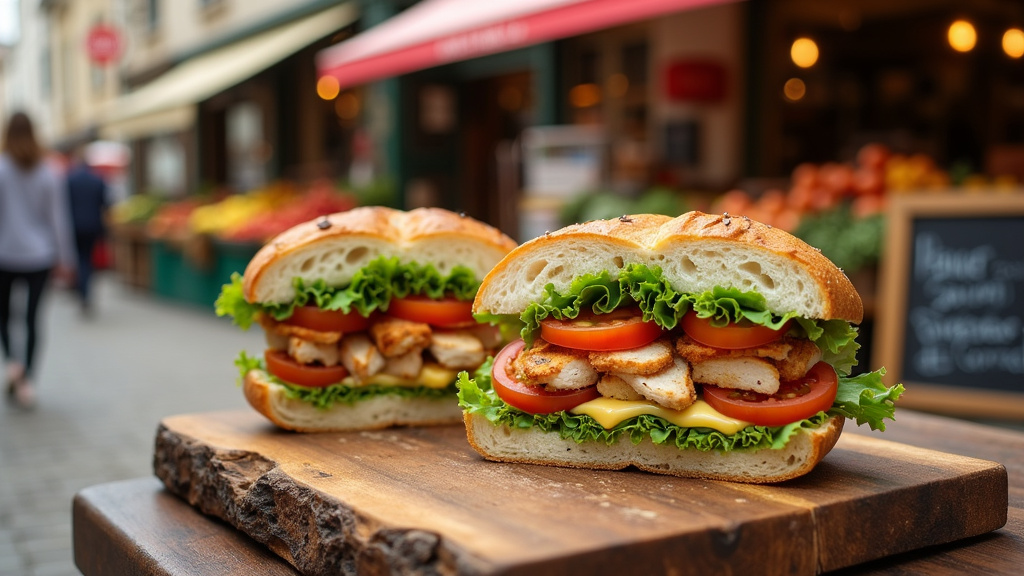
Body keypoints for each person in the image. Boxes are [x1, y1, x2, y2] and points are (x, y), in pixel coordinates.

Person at [0, 111, 76, 409]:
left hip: (4, 253)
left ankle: (11, 362)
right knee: (33, 320)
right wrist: (65, 258)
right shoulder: (49, 170)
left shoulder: (2, 168)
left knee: (4, 317)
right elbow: (58, 219)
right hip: (40, 255)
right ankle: (28, 380)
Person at [66, 146, 109, 314]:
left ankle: (82, 292)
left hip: (74, 226)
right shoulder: (98, 179)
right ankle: (86, 292)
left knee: (79, 259)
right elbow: (105, 203)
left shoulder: (70, 179)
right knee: (88, 259)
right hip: (93, 225)